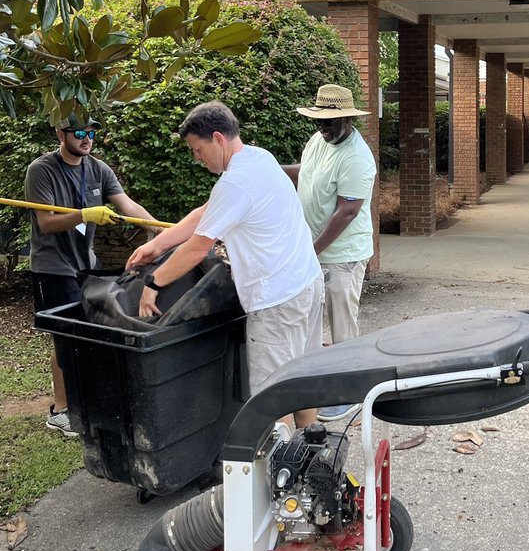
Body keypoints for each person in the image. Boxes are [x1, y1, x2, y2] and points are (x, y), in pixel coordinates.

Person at [127, 101, 323, 429]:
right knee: (301, 381)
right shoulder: (260, 158)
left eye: (197, 149)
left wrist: (153, 283)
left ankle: (282, 461)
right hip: (306, 284)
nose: (197, 158)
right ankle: (312, 449)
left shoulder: (235, 183)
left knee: (272, 400)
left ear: (217, 138)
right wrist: (157, 244)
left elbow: (197, 248)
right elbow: (207, 212)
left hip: (276, 302)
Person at [26, 114, 160, 436]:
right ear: (61, 134)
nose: (87, 139)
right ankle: (60, 410)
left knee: (92, 332)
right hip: (52, 267)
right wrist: (84, 214)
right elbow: (46, 222)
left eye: (91, 134)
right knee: (65, 337)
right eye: (79, 133)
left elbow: (127, 205)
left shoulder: (98, 169)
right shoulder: (41, 170)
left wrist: (159, 230)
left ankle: (90, 400)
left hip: (87, 265)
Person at [283, 84, 377, 421]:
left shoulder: (356, 157)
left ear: (348, 119)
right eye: (319, 121)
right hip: (316, 252)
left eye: (330, 122)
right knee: (312, 322)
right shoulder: (318, 140)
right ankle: (321, 386)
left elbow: (348, 211)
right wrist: (273, 168)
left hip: (342, 256)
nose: (323, 127)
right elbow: (306, 171)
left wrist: (311, 251)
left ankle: (349, 394)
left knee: (342, 326)